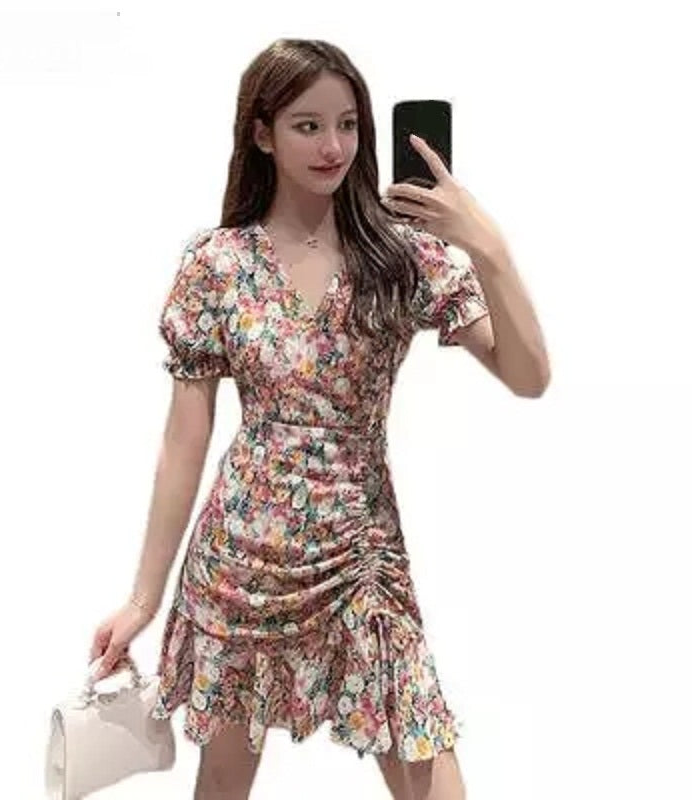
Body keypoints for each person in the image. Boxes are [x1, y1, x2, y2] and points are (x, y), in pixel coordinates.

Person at [88, 38, 550, 800]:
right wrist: (143, 598)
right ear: (262, 133)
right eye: (308, 126)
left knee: (434, 780)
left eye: (348, 124)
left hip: (361, 556)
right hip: (240, 562)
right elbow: (185, 440)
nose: (333, 146)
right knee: (224, 781)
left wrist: (488, 247)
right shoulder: (218, 264)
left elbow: (528, 377)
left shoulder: (402, 257)